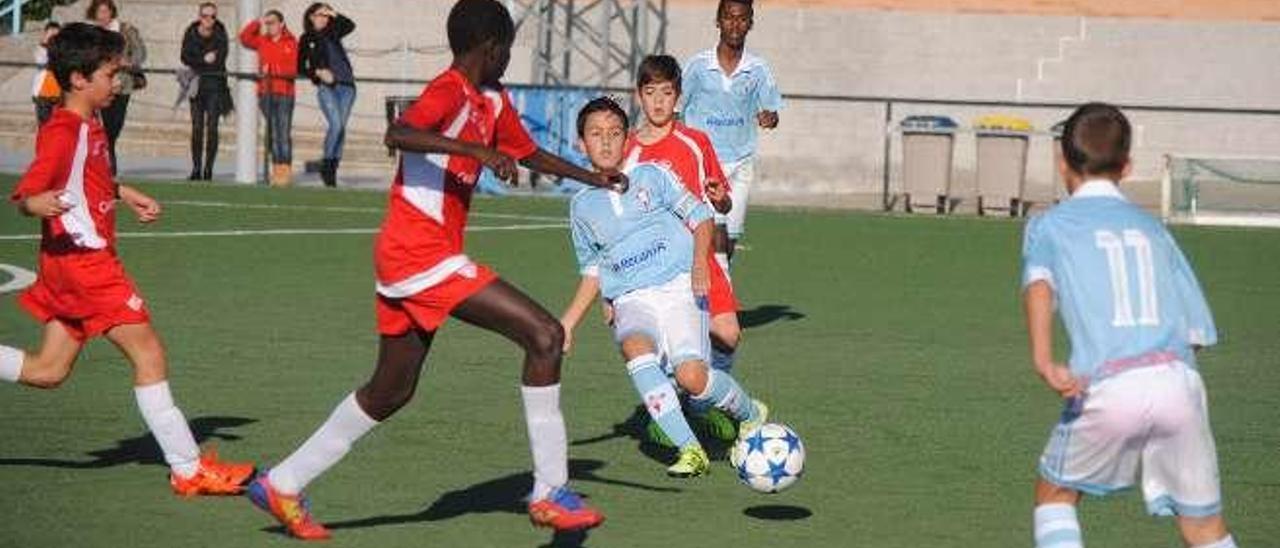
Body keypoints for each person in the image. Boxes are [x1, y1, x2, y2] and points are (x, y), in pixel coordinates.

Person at [245, 0, 625, 540]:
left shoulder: (493, 100)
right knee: (544, 335)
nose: (507, 59)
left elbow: (529, 152)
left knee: (390, 390)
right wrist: (476, 149)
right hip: (418, 253)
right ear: (490, 48)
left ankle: (281, 482)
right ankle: (549, 492)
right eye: (506, 51)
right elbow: (399, 134)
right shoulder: (449, 90)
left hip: (415, 257)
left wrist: (592, 177)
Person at [1, 22, 253, 498]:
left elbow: (89, 175)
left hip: (70, 264)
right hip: (86, 265)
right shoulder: (63, 130)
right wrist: (35, 204)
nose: (117, 81)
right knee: (149, 353)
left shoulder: (89, 123)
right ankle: (187, 467)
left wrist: (123, 191)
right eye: (110, 72)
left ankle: (188, 465)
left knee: (48, 370)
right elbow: (28, 192)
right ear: (79, 78)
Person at [1022, 103, 1234, 548]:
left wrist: (1044, 360)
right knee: (1204, 528)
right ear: (1128, 167)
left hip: (1110, 384)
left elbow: (1039, 284)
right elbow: (1196, 333)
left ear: (1063, 162)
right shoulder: (1154, 229)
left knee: (1055, 495)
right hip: (1179, 382)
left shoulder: (1049, 224)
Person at [560, 97, 769, 477]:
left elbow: (702, 214)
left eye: (614, 134)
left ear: (628, 141)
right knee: (635, 349)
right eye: (595, 134)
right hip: (631, 298)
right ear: (580, 143)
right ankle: (690, 450)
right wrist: (569, 323)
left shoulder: (652, 175)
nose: (605, 142)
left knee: (692, 378)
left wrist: (698, 265)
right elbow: (592, 268)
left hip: (678, 288)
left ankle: (751, 413)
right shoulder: (581, 206)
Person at [623, 55, 744, 445]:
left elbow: (721, 202)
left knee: (727, 334)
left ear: (678, 96)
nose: (658, 101)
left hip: (701, 254)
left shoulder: (696, 142)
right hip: (653, 267)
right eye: (650, 92)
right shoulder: (628, 151)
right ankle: (671, 411)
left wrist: (721, 198)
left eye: (667, 93)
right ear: (639, 96)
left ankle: (699, 405)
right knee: (661, 345)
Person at [680, 0, 781, 267]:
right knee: (717, 233)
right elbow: (677, 108)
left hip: (741, 164)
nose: (735, 24)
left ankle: (711, 295)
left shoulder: (758, 68)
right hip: (706, 163)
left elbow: (772, 113)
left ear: (750, 23)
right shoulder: (698, 66)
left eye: (742, 19)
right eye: (728, 17)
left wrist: (770, 118)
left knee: (730, 241)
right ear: (718, 21)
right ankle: (719, 303)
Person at [86, 0, 145, 177]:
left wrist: (129, 63)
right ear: (94, 14)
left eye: (106, 11)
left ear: (112, 12)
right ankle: (109, 169)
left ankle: (107, 162)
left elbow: (140, 52)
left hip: (123, 84)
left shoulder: (125, 30)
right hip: (100, 85)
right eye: (99, 12)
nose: (103, 15)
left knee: (114, 127)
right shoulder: (92, 34)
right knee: (103, 127)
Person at [298, 2, 355, 187]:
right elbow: (300, 67)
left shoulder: (334, 32)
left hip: (347, 87)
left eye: (325, 15)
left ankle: (332, 168)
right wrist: (317, 72)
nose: (322, 18)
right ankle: (327, 165)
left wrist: (333, 12)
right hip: (327, 88)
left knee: (341, 129)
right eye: (319, 15)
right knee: (336, 125)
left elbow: (350, 25)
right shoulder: (306, 38)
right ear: (310, 17)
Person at [240, 9, 298, 187]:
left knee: (283, 132)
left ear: (281, 24)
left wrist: (274, 71)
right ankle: (276, 170)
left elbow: (294, 68)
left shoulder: (291, 41)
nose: (269, 26)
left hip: (285, 93)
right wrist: (257, 22)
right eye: (268, 23)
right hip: (266, 92)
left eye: (272, 22)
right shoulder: (262, 40)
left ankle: (285, 170)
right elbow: (245, 37)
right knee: (273, 131)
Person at [180, 2, 231, 181]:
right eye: (205, 16)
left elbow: (219, 60)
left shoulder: (221, 33)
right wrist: (203, 59)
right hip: (196, 85)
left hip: (216, 85)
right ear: (199, 16)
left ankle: (208, 169)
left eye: (212, 16)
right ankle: (196, 168)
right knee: (196, 127)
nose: (209, 20)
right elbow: (185, 56)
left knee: (212, 128)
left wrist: (198, 60)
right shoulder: (191, 32)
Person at [33, 22, 62, 126]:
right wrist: (46, 41)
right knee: (44, 129)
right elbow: (41, 60)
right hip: (43, 97)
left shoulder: (62, 51)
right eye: (51, 35)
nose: (53, 38)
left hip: (59, 97)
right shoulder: (41, 50)